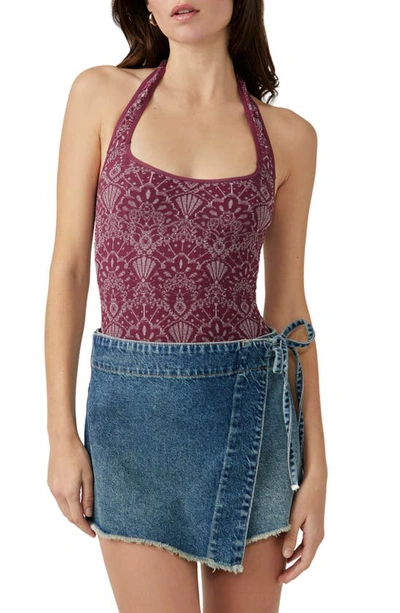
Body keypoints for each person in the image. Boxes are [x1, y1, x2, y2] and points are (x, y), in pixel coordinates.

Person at [45, 1, 327, 611]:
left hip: (251, 415)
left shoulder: (291, 138)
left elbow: (289, 309)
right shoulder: (99, 96)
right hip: (130, 425)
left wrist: (316, 468)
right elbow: (68, 269)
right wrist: (60, 434)